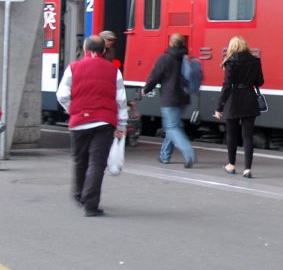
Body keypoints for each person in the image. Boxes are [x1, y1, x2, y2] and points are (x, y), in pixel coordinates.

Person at [56, 35, 128, 217]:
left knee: (80, 160)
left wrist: (73, 109)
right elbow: (121, 100)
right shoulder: (114, 71)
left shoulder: (73, 68)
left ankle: (79, 195)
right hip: (104, 121)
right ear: (104, 51)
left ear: (86, 49)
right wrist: (122, 125)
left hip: (79, 122)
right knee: (97, 162)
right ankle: (91, 204)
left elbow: (62, 95)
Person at [142, 33, 196, 167]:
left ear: (171, 43)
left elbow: (154, 77)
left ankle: (189, 154)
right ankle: (164, 156)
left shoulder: (165, 58)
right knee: (173, 126)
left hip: (170, 97)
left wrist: (146, 90)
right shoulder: (185, 58)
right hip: (183, 97)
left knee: (172, 127)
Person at [214, 36, 264, 179]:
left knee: (232, 135)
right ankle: (247, 169)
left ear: (232, 47)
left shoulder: (231, 62)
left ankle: (231, 165)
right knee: (247, 136)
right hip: (249, 99)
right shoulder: (255, 61)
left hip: (233, 101)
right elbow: (260, 81)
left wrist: (219, 107)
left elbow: (227, 85)